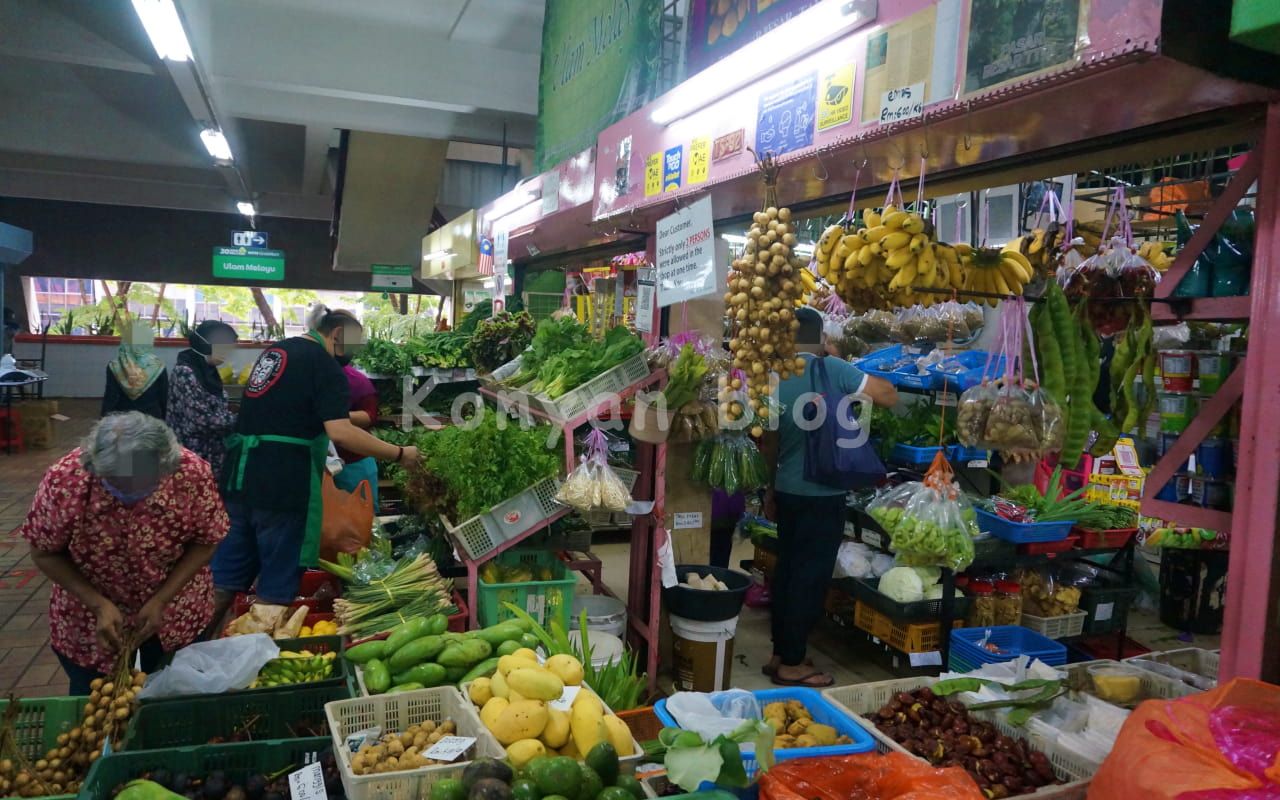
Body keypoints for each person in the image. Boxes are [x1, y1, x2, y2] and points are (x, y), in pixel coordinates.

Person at [210, 304, 422, 628]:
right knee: (275, 585)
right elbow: (341, 431)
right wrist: (399, 453)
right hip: (282, 485)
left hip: (239, 478)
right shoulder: (325, 366)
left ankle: (190, 653)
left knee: (225, 578)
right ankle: (254, 662)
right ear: (337, 334)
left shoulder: (276, 352)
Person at [19, 412, 228, 694]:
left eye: (144, 484)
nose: (132, 494)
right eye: (118, 484)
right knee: (96, 700)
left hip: (177, 611)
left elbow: (206, 540)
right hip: (88, 620)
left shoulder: (189, 472)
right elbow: (44, 552)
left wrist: (162, 599)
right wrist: (97, 604)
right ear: (96, 468)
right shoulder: (66, 480)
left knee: (175, 696)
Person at [761, 307, 898, 687]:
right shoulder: (832, 369)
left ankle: (780, 652)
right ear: (820, 338)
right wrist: (841, 364)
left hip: (788, 489)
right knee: (811, 575)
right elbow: (887, 395)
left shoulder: (774, 378)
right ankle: (792, 663)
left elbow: (768, 444)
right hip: (823, 492)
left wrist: (770, 489)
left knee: (787, 570)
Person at [167, 320, 239, 477]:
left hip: (213, 453)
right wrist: (239, 419)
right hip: (194, 456)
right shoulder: (185, 372)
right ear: (205, 344)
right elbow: (200, 420)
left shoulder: (208, 370)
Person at [331, 311, 381, 511]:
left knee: (361, 521)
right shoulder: (310, 375)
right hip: (319, 465)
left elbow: (370, 416)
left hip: (353, 463)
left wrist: (334, 419)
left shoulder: (357, 381)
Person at [102, 324, 167, 419]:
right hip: (151, 418)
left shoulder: (114, 366)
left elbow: (110, 398)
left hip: (122, 419)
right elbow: (164, 398)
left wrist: (103, 419)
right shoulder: (158, 367)